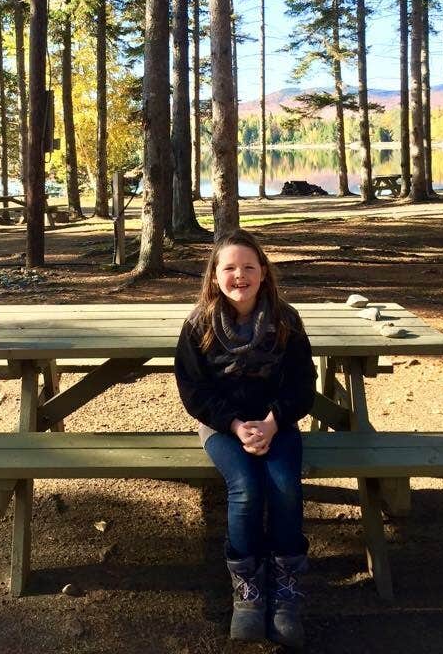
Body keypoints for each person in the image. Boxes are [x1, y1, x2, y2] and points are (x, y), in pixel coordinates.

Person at [174, 229, 316, 647]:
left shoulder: (286, 321)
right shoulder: (199, 324)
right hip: (222, 426)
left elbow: (303, 387)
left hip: (278, 423)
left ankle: (286, 589)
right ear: (215, 275)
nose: (240, 275)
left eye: (248, 267)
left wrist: (273, 422)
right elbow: (194, 391)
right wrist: (237, 426)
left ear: (263, 272)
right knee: (246, 488)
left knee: (284, 486)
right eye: (230, 267)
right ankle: (248, 592)